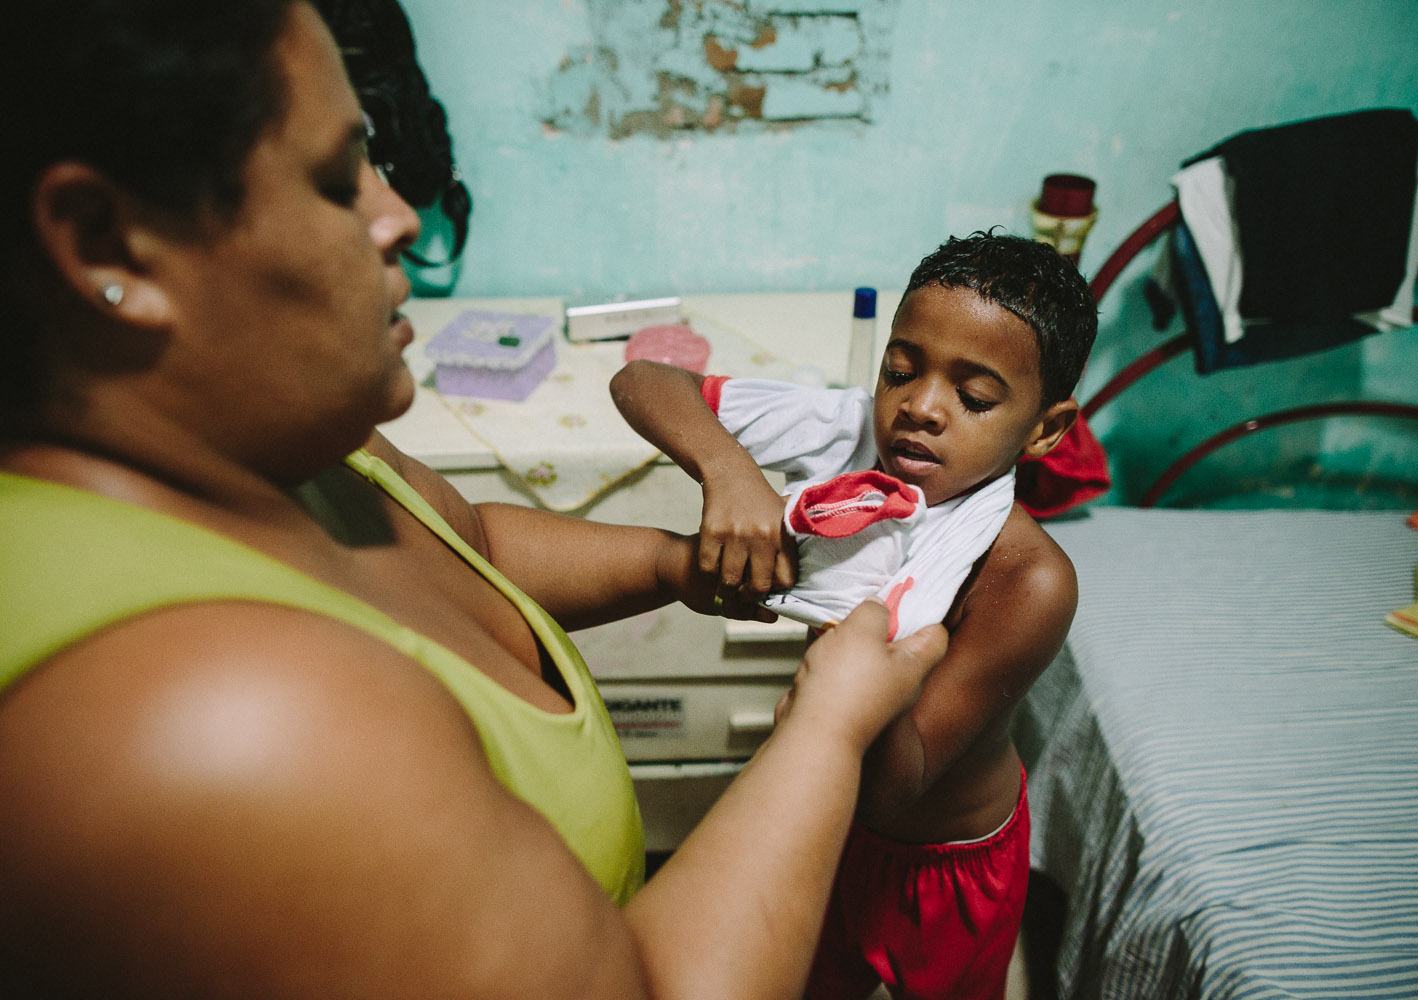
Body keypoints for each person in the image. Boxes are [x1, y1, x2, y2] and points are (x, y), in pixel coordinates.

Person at [0, 2, 948, 997]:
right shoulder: (226, 724)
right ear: (109, 245)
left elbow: (472, 544)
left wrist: (680, 565)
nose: (398, 215)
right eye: (335, 180)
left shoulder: (281, 440)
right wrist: (829, 728)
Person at [611, 231, 1098, 999]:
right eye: (901, 370)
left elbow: (887, 786)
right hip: (824, 810)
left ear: (1045, 428)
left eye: (973, 397)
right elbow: (644, 380)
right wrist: (732, 474)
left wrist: (853, 611)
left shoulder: (1026, 581)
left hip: (943, 862)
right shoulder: (851, 434)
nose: (921, 409)